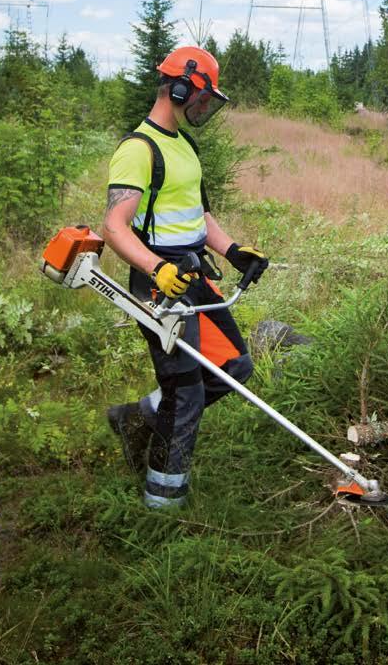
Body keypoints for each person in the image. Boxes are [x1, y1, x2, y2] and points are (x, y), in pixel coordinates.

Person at [101, 45, 268, 510]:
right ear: (179, 87)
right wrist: (157, 268)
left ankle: (137, 418)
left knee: (234, 367)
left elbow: (199, 216)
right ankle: (163, 505)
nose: (204, 105)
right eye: (201, 95)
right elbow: (115, 228)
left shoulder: (185, 147)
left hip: (192, 276)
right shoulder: (139, 149)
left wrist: (233, 251)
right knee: (187, 391)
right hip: (158, 284)